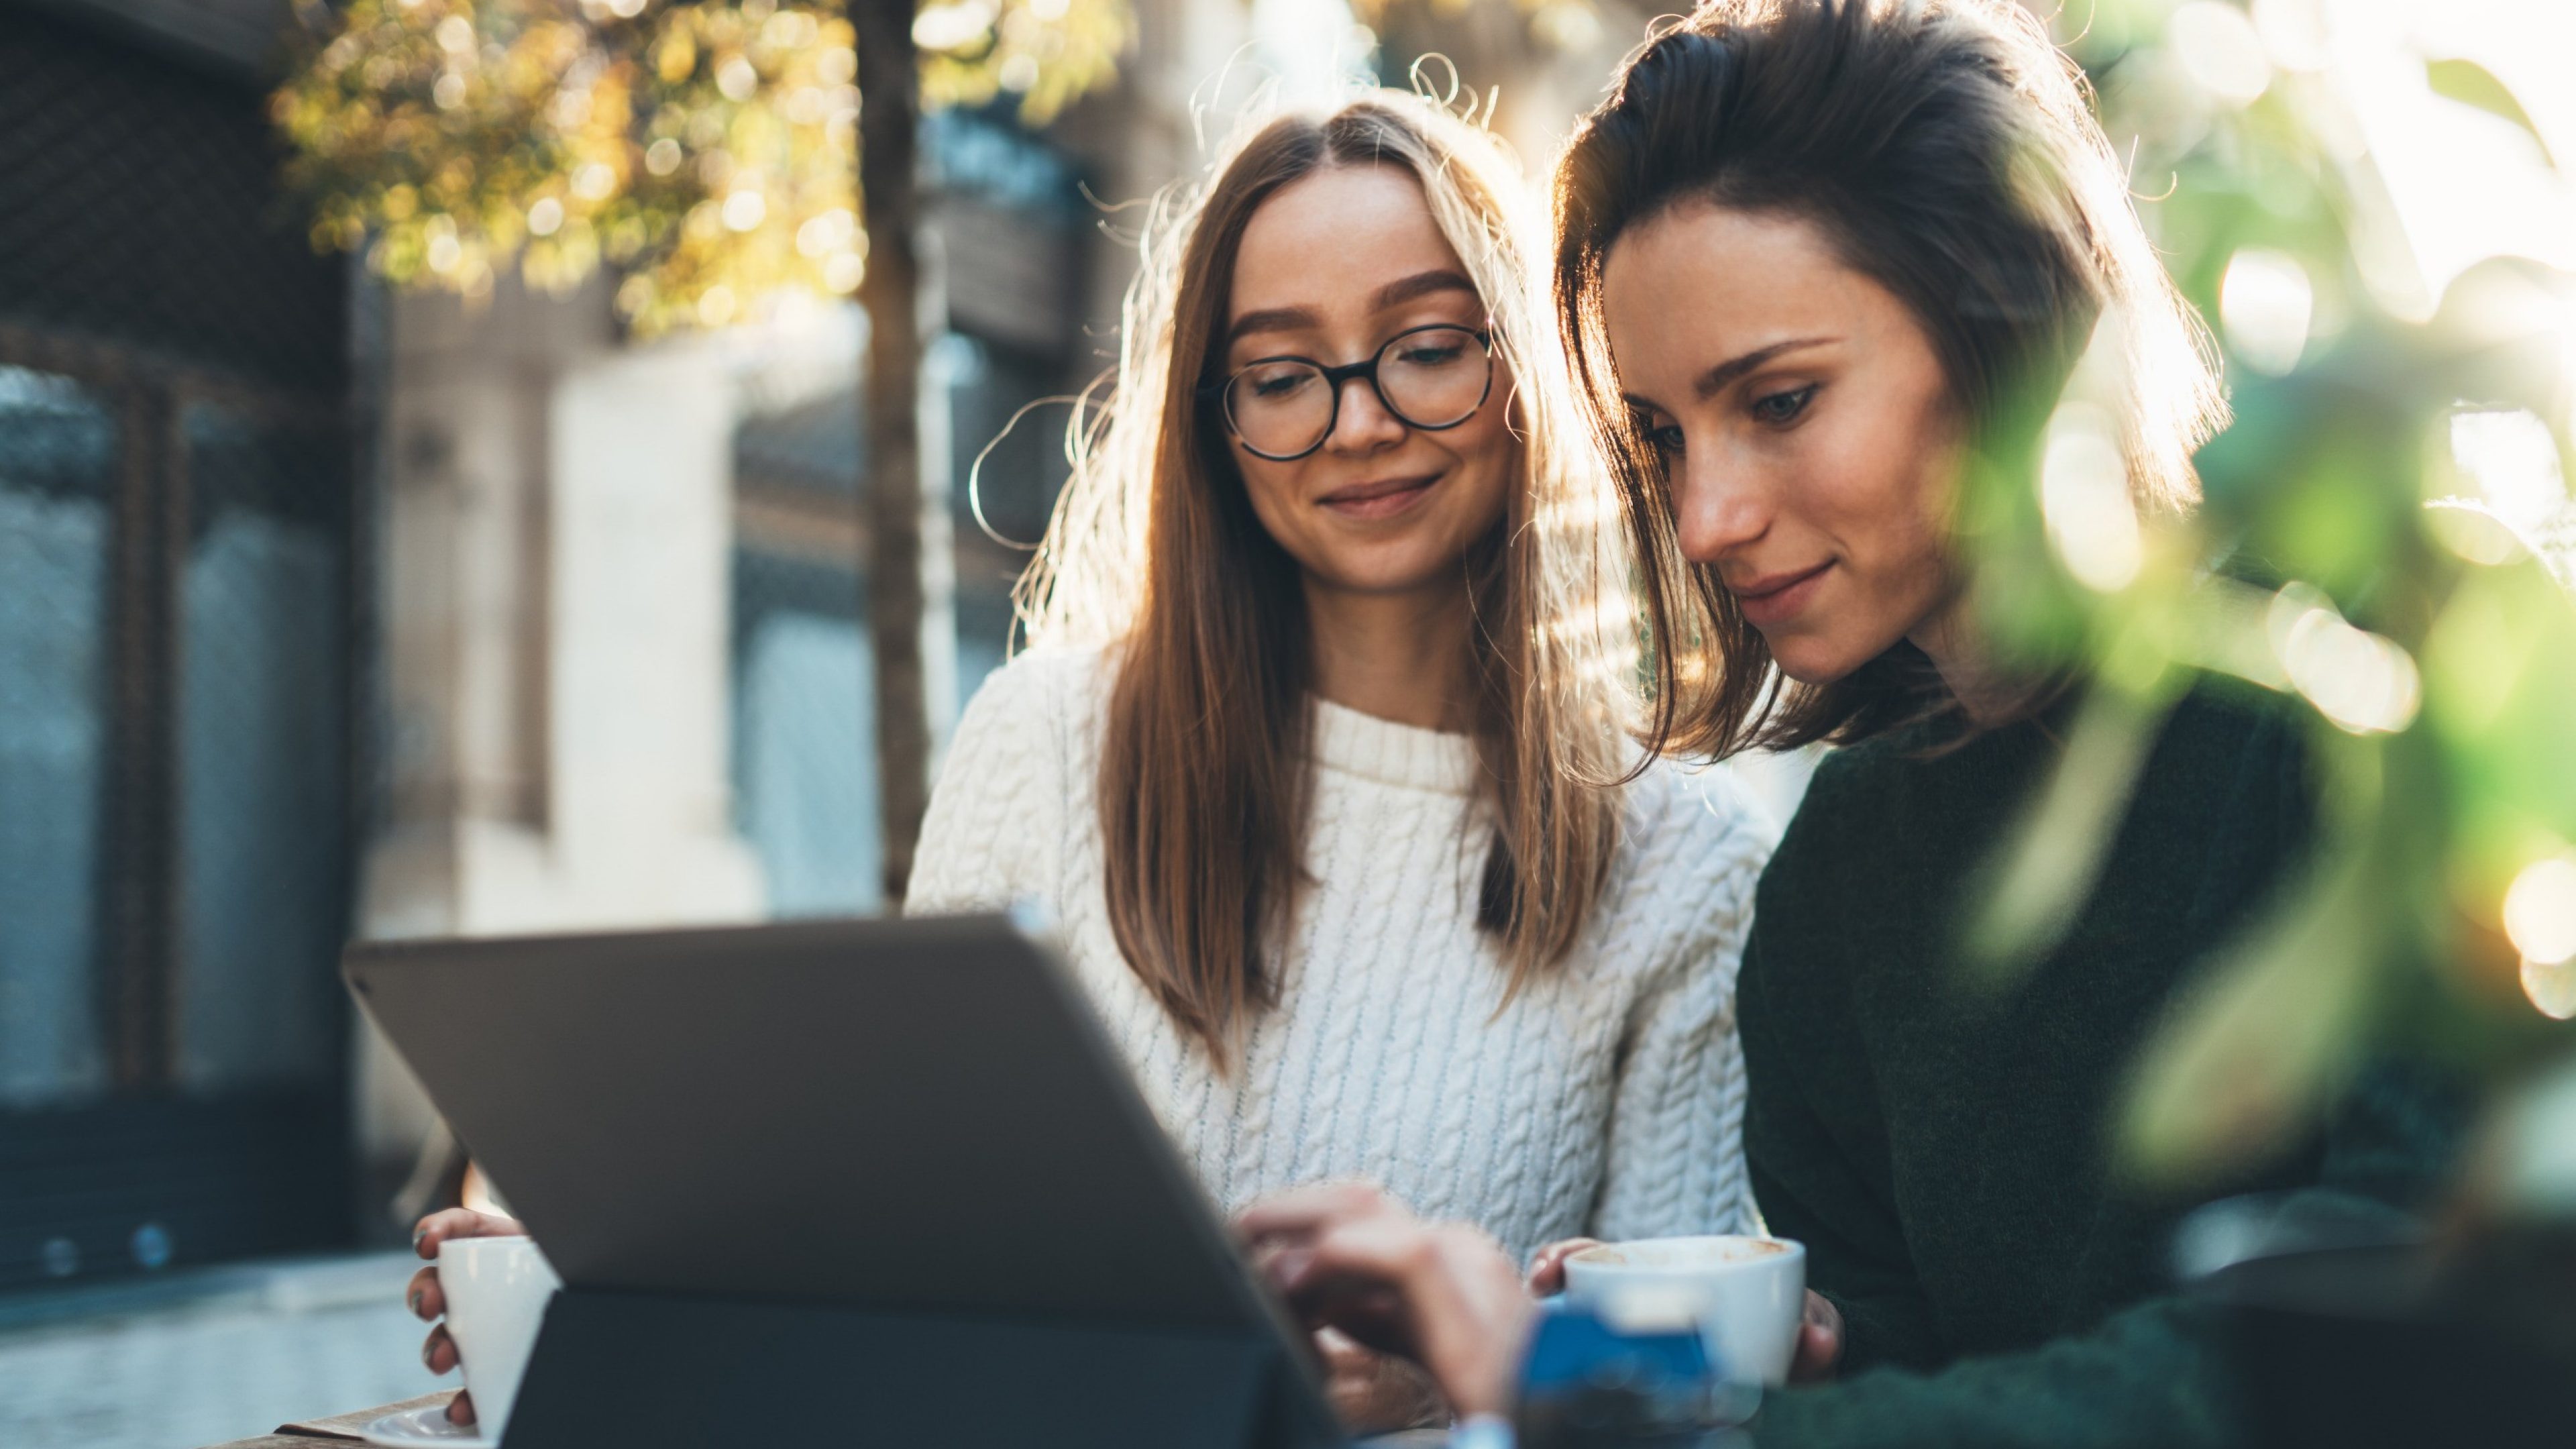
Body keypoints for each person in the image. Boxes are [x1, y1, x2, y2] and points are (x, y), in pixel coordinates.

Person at [406, 88, 1774, 1432]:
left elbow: (1695, 1402)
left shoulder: (1683, 859)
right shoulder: (1048, 743)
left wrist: (1449, 1379)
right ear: (1214, 422)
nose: (1357, 422)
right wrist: (608, 1323)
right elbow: (901, 1257)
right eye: (1283, 376)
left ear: (1524, 366)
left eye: (1425, 346)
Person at [1240, 3, 2465, 1444]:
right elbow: (1927, 1374)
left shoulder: (2378, 692)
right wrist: (1798, 1364)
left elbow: (2383, 1351)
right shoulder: (1838, 882)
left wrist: (1561, 1382)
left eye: (1782, 398)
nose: (1707, 518)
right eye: (1669, 437)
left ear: (2012, 327)